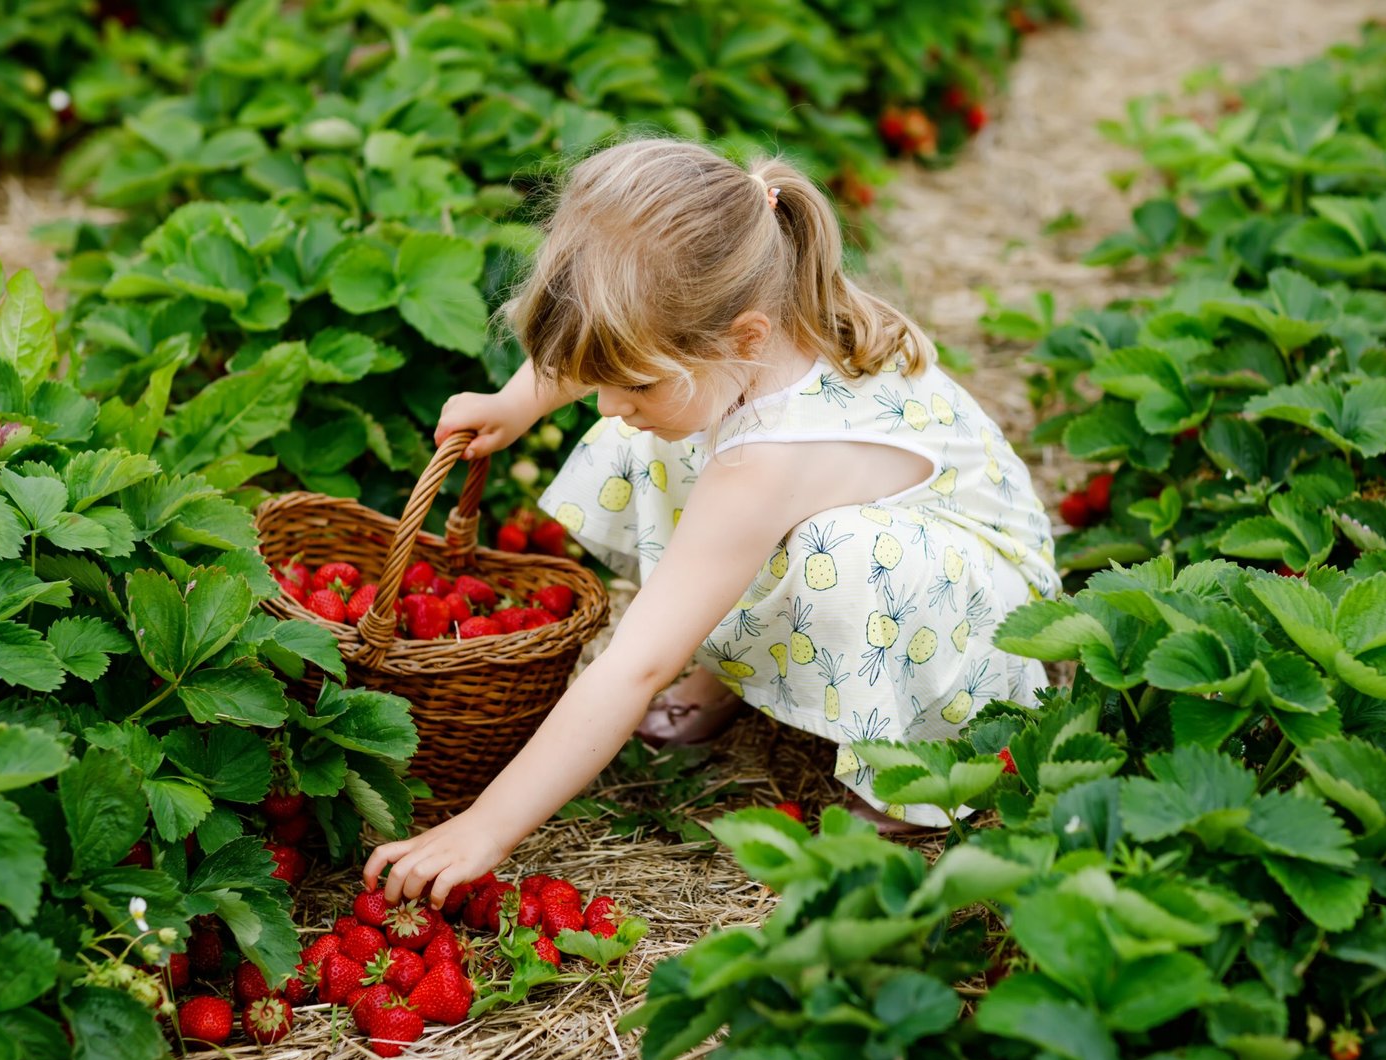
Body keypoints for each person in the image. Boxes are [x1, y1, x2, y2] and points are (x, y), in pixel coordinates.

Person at [364, 138, 1059, 906]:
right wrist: (515, 404)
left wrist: (484, 827)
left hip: (977, 604)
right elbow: (600, 341)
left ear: (743, 338)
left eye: (629, 382)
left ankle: (907, 775)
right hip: (805, 495)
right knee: (650, 441)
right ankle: (739, 660)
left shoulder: (767, 457)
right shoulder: (732, 318)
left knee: (846, 553)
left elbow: (634, 663)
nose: (606, 402)